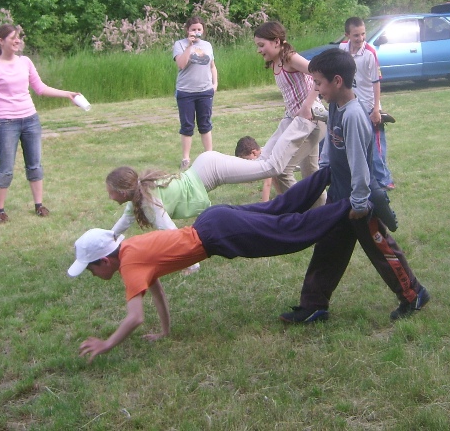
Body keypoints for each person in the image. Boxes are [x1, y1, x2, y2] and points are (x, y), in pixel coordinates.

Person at [69, 167, 346, 362]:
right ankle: (330, 171)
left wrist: (107, 343)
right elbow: (158, 292)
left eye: (91, 269)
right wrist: (165, 332)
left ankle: (352, 205)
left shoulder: (130, 268)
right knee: (278, 208)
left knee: (289, 233)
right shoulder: (132, 250)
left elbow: (135, 318)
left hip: (219, 235)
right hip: (213, 220)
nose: (92, 274)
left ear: (104, 260)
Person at [279, 48, 429, 324]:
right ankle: (314, 305)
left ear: (337, 81)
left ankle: (414, 294)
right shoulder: (334, 107)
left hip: (359, 202)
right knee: (328, 249)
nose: (316, 89)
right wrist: (325, 169)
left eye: (319, 83)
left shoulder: (354, 116)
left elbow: (360, 165)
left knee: (381, 249)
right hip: (339, 197)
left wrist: (359, 204)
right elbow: (331, 146)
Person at [107, 114, 316, 257]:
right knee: (264, 163)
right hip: (206, 165)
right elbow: (124, 222)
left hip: (211, 169)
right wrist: (108, 240)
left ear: (123, 192)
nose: (110, 197)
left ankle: (300, 121)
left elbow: (169, 231)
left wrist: (191, 262)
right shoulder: (139, 194)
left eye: (111, 193)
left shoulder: (148, 202)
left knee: (271, 167)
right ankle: (290, 120)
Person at [0, 24, 80, 223]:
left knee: (34, 165)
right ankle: (0, 211)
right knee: (5, 168)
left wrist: (67, 94)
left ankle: (39, 205)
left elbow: (40, 88)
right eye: (12, 38)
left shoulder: (25, 62)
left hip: (30, 120)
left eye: (18, 37)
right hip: (6, 123)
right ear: (1, 41)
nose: (17, 41)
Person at [253, 21, 326, 203]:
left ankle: (299, 208)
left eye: (261, 45)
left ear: (276, 41)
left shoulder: (291, 59)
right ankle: (323, 213)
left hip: (312, 121)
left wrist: (307, 105)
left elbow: (320, 74)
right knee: (311, 177)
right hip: (297, 122)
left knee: (280, 170)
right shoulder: (275, 62)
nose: (259, 50)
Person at [339, 17, 395, 190]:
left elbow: (376, 82)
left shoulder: (370, 53)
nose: (361, 38)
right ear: (347, 35)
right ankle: (360, 178)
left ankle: (385, 179)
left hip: (370, 106)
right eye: (356, 35)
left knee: (376, 147)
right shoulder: (342, 49)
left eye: (363, 34)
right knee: (355, 145)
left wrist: (376, 109)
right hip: (353, 105)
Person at [173, 16, 218, 171]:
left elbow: (212, 66)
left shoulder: (207, 45)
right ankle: (186, 159)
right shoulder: (180, 44)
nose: (196, 32)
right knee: (187, 126)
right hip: (186, 91)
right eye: (193, 29)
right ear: (187, 30)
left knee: (205, 124)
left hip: (205, 91)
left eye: (199, 29)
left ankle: (210, 157)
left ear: (203, 30)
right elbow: (181, 64)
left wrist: (215, 84)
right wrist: (189, 46)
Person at [235, 136, 272, 201]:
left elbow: (267, 184)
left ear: (254, 153)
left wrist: (264, 205)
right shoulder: (262, 153)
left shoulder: (266, 159)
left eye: (247, 160)